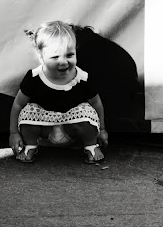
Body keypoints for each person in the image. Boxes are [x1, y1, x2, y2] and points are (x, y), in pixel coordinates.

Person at [9, 21, 109, 163]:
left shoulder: (82, 78)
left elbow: (96, 103)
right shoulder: (34, 77)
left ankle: (91, 146)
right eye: (55, 57)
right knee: (27, 111)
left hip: (72, 129)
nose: (63, 62)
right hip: (45, 130)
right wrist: (14, 133)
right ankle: (30, 146)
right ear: (40, 56)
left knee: (87, 112)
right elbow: (18, 104)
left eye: (69, 55)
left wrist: (102, 129)